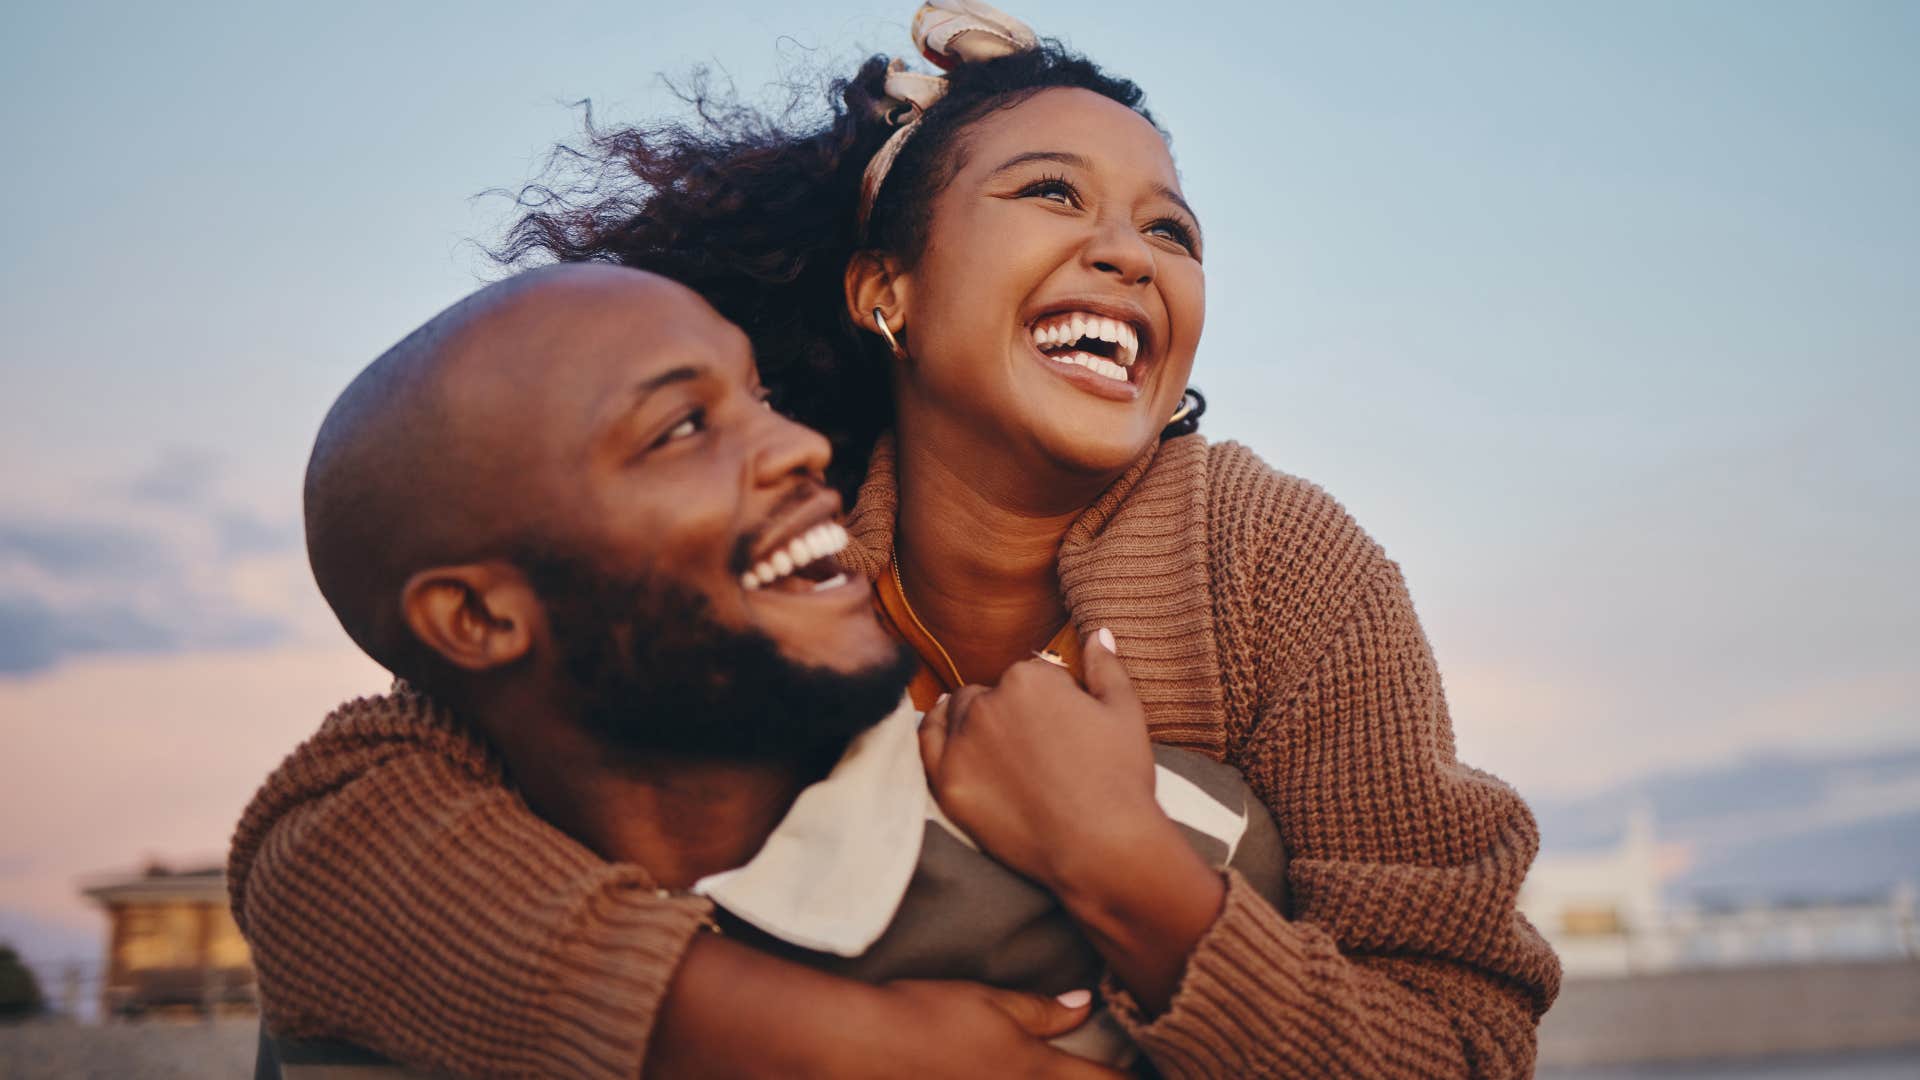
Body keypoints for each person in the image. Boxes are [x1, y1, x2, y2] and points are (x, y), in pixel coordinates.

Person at [232, 3, 1560, 1077]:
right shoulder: (776, 524)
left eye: (1171, 229)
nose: (1129, 253)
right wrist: (813, 1040)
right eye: (1053, 193)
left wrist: (1129, 872)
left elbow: (1463, 1039)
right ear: (887, 291)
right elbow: (333, 834)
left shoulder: (1280, 566)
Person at [242, 260, 1288, 1078]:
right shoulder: (366, 994)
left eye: (759, 395)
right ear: (475, 617)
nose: (798, 448)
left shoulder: (1179, 844)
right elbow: (308, 841)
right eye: (683, 427)